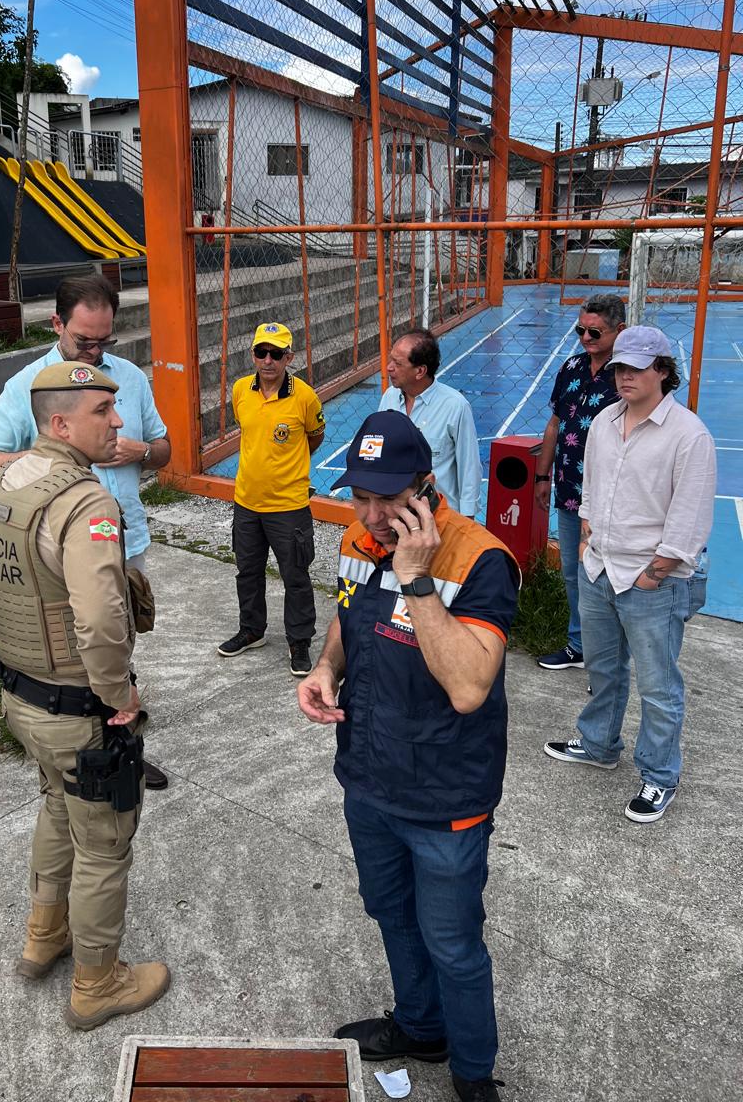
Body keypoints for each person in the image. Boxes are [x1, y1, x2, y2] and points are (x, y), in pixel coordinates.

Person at [298, 411, 519, 1102]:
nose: (370, 514)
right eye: (360, 497)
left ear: (426, 486)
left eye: (387, 499)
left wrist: (417, 580)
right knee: (390, 914)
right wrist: (324, 669)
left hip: (445, 795)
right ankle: (422, 1026)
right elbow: (348, 618)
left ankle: (474, 1073)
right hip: (369, 779)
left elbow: (467, 687)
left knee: (453, 943)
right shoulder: (358, 540)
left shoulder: (478, 559)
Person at [0, 361, 170, 1029]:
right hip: (77, 707)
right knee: (105, 842)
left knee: (56, 803)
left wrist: (21, 622)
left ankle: (44, 936)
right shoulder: (85, 503)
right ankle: (98, 982)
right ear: (61, 422)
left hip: (19, 694)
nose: (119, 421)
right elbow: (102, 620)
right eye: (103, 411)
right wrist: (119, 696)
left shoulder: (6, 480)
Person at [0, 274, 170, 790]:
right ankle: (76, 753)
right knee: (73, 656)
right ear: (57, 323)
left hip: (125, 539)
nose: (95, 350)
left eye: (105, 339)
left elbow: (165, 448)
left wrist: (143, 452)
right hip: (52, 554)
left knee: (116, 645)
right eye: (85, 340)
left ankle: (120, 745)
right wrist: (53, 460)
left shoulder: (128, 377)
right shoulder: (27, 386)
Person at [543, 326, 716, 824]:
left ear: (663, 370)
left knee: (658, 687)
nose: (625, 376)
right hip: (601, 567)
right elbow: (591, 486)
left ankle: (660, 775)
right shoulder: (602, 421)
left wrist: (654, 573)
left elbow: (689, 519)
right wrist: (591, 541)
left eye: (638, 367)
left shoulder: (688, 435)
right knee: (603, 669)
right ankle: (599, 743)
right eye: (621, 367)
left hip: (651, 580)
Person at [218, 322, 325, 676]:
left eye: (276, 354)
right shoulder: (239, 390)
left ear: (289, 357)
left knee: (295, 576)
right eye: (261, 352)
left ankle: (299, 642)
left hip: (289, 506)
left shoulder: (305, 397)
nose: (268, 360)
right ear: (252, 355)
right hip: (247, 501)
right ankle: (252, 630)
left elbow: (314, 437)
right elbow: (247, 430)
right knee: (247, 572)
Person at [534, 294, 625, 671]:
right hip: (570, 489)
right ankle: (579, 644)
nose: (585, 338)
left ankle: (611, 651)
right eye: (580, 330)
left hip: (612, 496)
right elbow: (555, 424)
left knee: (612, 574)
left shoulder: (629, 374)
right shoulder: (571, 367)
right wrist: (543, 475)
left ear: (619, 330)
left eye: (594, 332)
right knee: (574, 571)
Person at [379, 328, 481, 517]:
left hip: (440, 516)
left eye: (398, 363)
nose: (389, 367)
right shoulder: (389, 398)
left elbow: (469, 468)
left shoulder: (455, 406)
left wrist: (467, 517)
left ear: (420, 371)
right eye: (391, 360)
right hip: (396, 513)